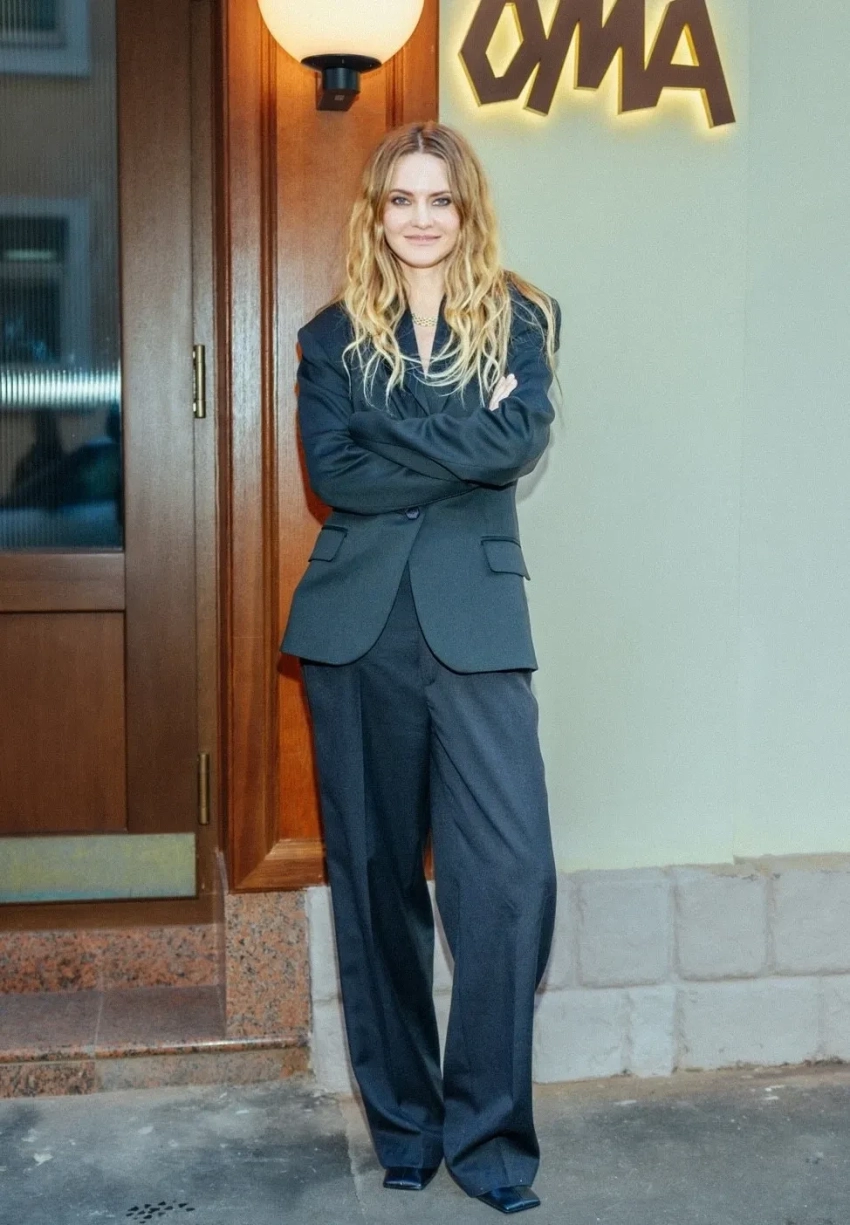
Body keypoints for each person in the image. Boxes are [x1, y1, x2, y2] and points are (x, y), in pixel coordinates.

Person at [281, 121, 561, 1215]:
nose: (421, 217)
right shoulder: (330, 336)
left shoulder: (521, 320)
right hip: (356, 632)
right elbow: (335, 476)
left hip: (477, 626)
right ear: (378, 213)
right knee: (374, 881)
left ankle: (490, 1139)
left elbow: (516, 444)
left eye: (439, 198)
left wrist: (394, 435)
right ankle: (406, 1124)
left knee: (510, 883)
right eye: (402, 198)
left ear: (466, 209)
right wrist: (458, 441)